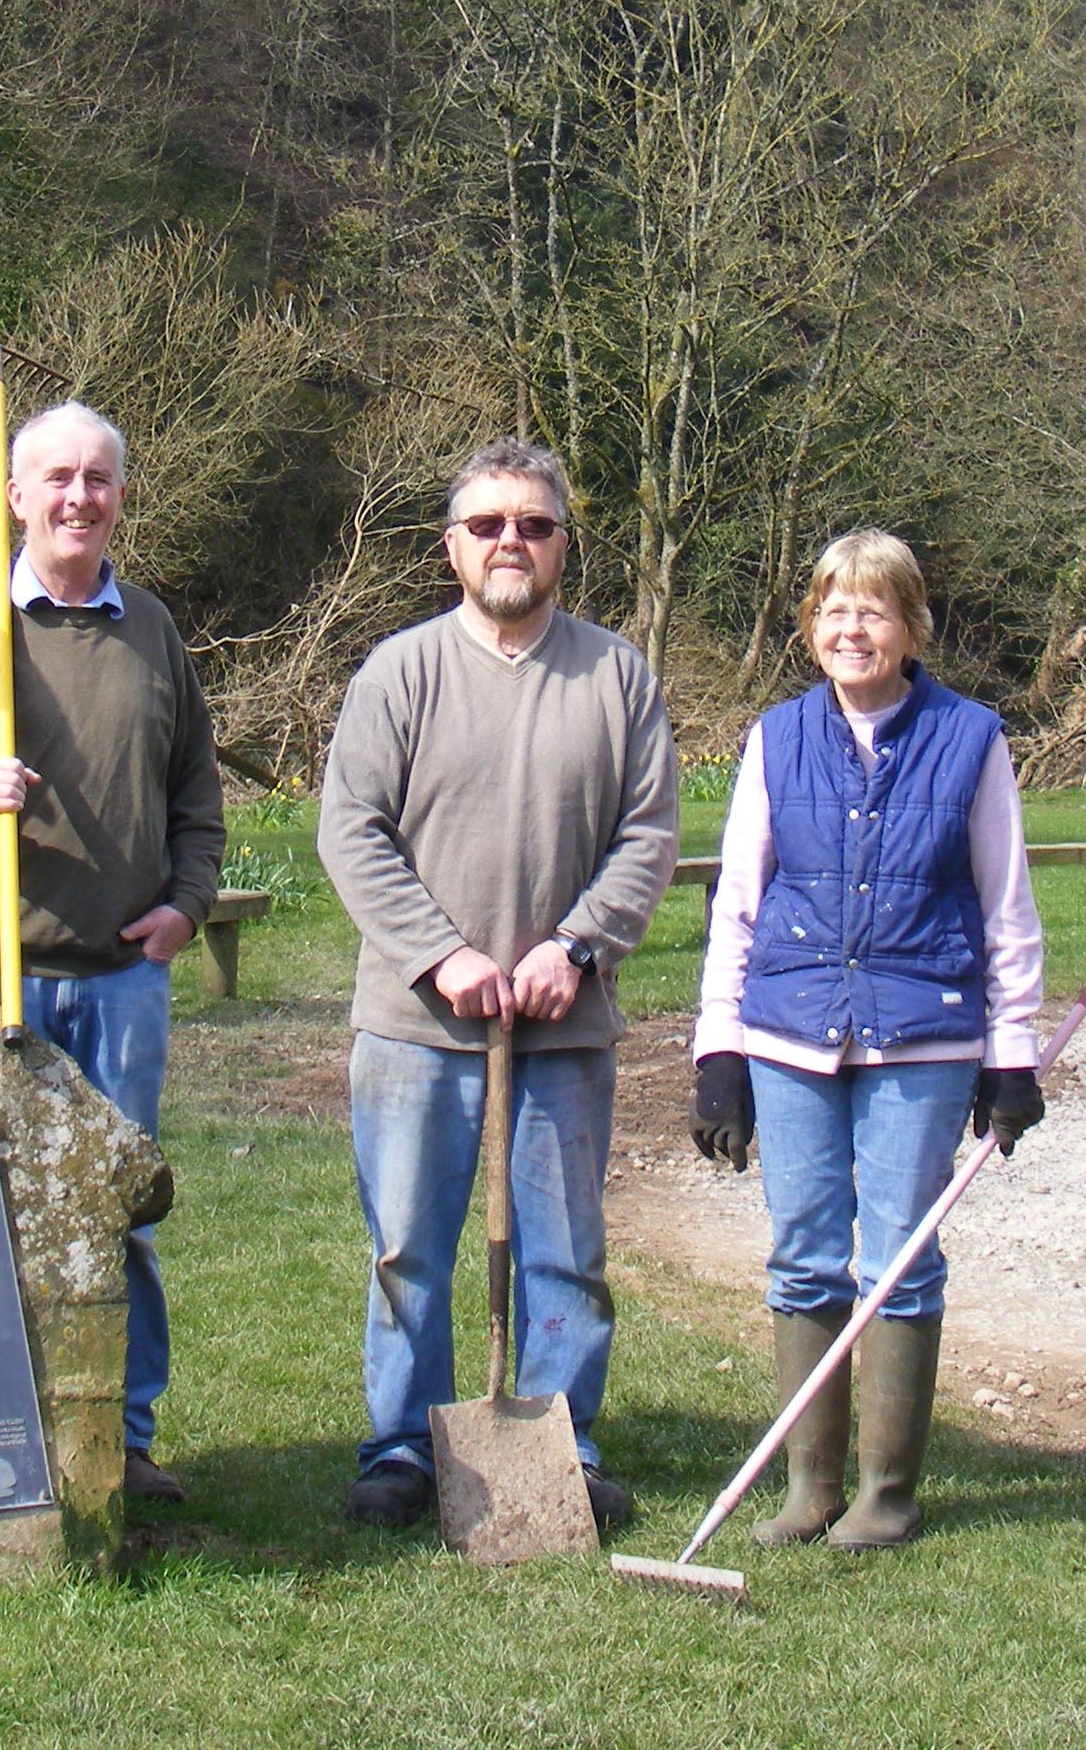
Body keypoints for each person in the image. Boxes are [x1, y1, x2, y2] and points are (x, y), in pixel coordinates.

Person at [0, 400, 226, 1503]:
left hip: (120, 986)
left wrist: (187, 907)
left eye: (99, 478)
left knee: (124, 1214)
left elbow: (196, 797)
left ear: (120, 495)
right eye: (56, 477)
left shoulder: (152, 630)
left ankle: (122, 1437)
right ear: (15, 494)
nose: (79, 497)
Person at [319, 440, 678, 1533]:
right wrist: (444, 954)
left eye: (534, 524)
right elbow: (351, 831)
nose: (511, 542)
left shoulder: (617, 676)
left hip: (563, 1028)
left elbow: (648, 834)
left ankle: (562, 1444)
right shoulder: (401, 672)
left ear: (564, 543)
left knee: (566, 1253)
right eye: (487, 526)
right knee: (409, 1244)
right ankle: (404, 1448)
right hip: (416, 1024)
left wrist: (575, 948)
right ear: (451, 547)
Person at [688, 527, 1045, 1550]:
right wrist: (719, 1052)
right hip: (790, 1035)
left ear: (910, 627)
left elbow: (1005, 906)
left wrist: (1009, 1053)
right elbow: (740, 907)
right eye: (835, 610)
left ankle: (887, 1493)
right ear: (810, 628)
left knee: (901, 1260)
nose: (854, 628)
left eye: (875, 610)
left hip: (923, 1038)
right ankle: (810, 1488)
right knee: (803, 1261)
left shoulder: (971, 738)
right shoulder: (776, 739)